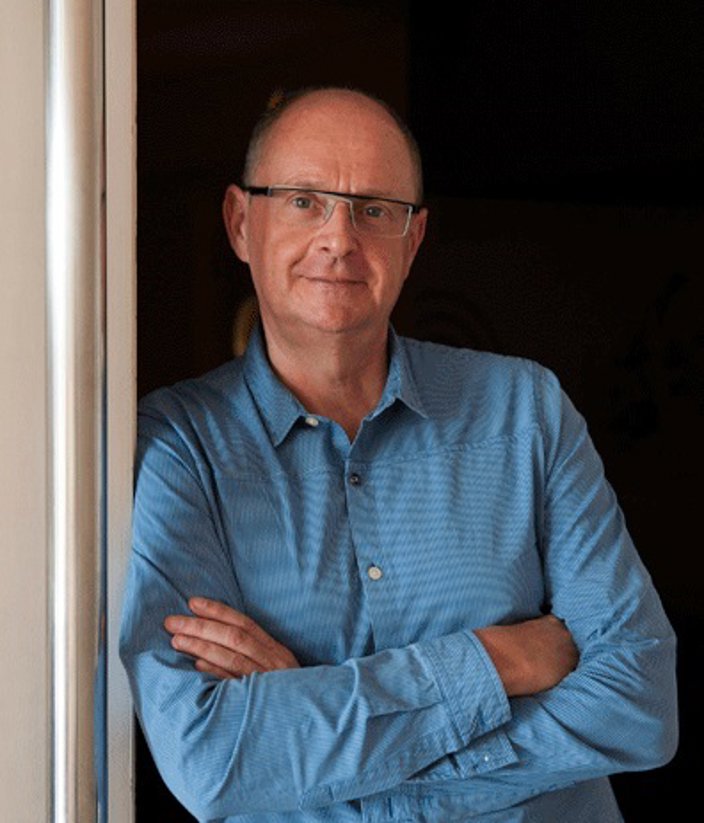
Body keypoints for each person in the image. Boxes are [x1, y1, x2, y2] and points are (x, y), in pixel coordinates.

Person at [119, 87, 678, 822]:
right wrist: (498, 661)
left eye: (375, 209)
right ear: (240, 222)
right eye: (303, 202)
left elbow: (639, 703)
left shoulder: (526, 410)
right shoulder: (176, 446)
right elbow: (213, 759)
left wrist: (319, 730)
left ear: (412, 240)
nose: (339, 239)